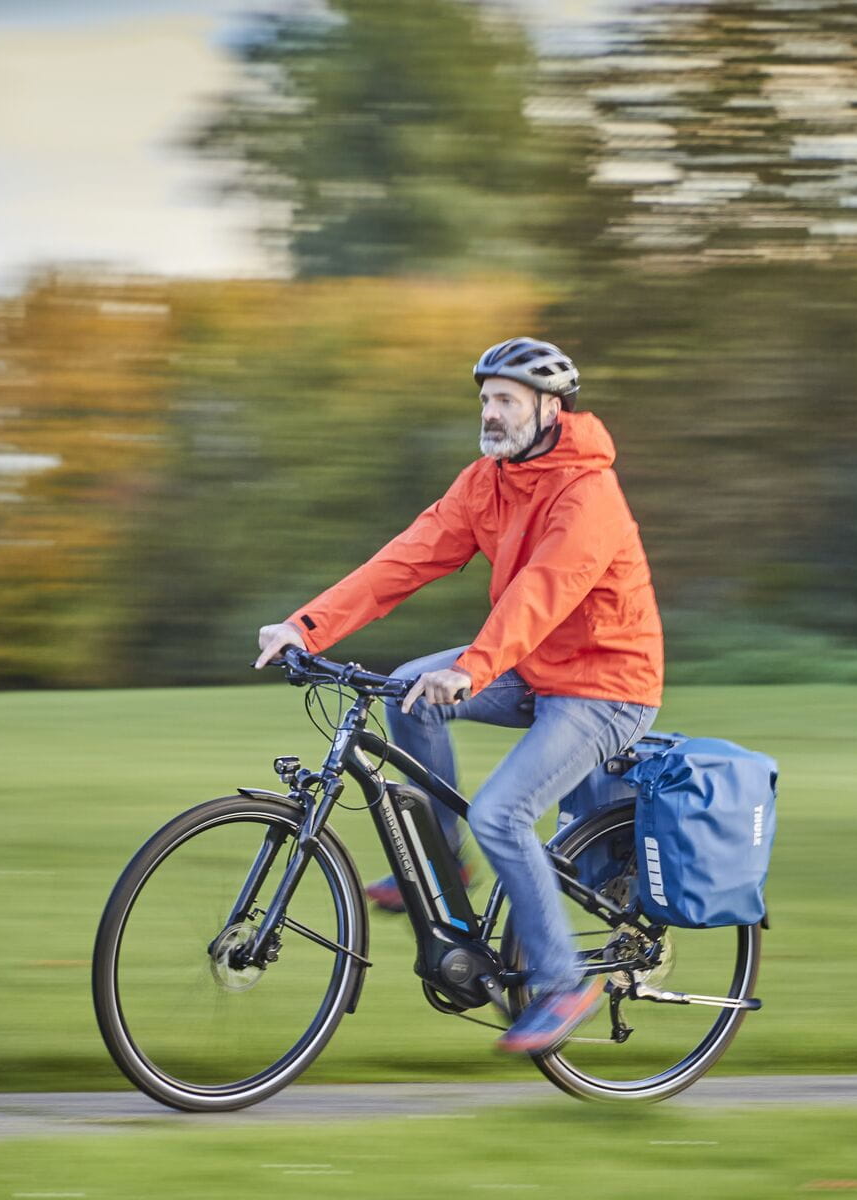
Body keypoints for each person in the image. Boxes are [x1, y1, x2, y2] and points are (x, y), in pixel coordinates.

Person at [253, 336, 662, 1054]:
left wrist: (474, 668)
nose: (490, 413)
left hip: (605, 687)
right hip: (531, 666)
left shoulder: (588, 494)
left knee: (503, 813)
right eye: (485, 400)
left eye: (506, 400)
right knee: (409, 690)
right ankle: (444, 854)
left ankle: (563, 983)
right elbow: (406, 559)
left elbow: (544, 592)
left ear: (550, 409)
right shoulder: (487, 482)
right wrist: (305, 627)